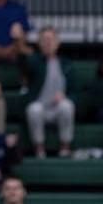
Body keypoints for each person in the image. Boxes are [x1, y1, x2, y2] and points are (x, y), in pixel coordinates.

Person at [22, 26, 76, 158]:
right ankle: (39, 149)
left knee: (67, 106)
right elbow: (24, 62)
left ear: (58, 42)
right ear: (39, 43)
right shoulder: (33, 62)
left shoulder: (66, 64)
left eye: (51, 39)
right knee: (34, 109)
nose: (48, 43)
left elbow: (76, 91)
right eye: (44, 40)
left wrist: (65, 96)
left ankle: (65, 148)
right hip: (40, 108)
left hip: (58, 109)